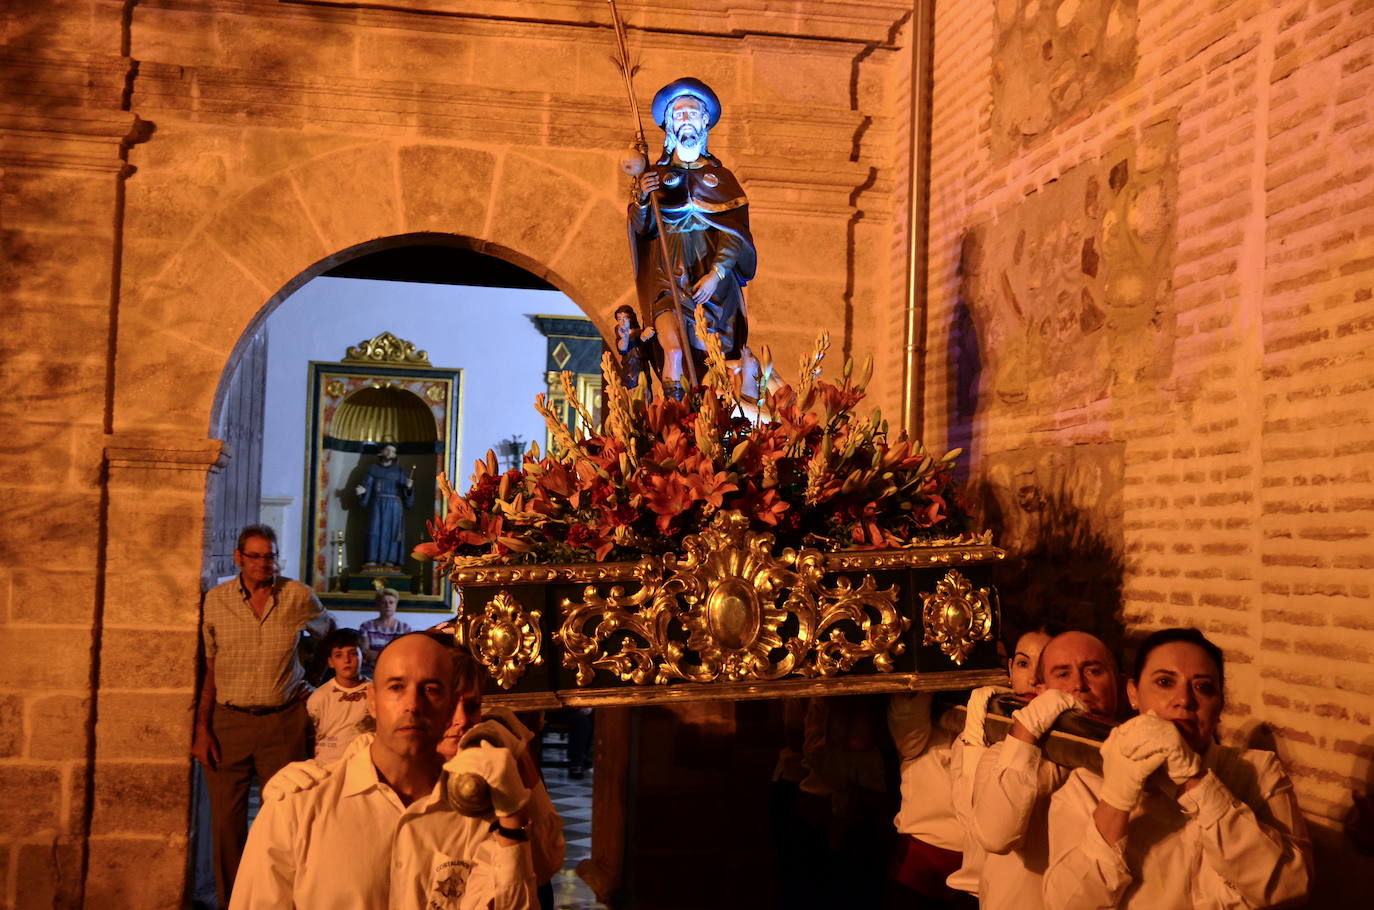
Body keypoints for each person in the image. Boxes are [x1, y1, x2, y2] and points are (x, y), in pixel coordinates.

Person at [232, 632, 538, 909]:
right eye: (396, 687)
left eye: (431, 689)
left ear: (450, 707)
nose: (412, 705)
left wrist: (512, 820)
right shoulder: (298, 805)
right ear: (373, 701)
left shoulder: (476, 815)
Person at [1044, 628, 1312, 908]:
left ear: (1220, 706)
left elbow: (1291, 890)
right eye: (1164, 682)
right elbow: (1064, 904)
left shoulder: (1257, 771)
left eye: (1203, 687)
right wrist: (1116, 799)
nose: (1184, 699)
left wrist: (1197, 782)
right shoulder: (1086, 785)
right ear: (1133, 693)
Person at [192, 524, 336, 907]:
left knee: (286, 818)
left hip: (283, 723)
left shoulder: (298, 597)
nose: (263, 563)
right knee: (226, 826)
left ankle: (279, 901)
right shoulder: (215, 602)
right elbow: (209, 669)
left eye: (269, 556)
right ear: (238, 558)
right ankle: (232, 902)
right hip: (228, 723)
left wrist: (311, 680)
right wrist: (202, 729)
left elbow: (330, 634)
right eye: (254, 556)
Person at [967, 630, 1120, 910]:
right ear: (1042, 689)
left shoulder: (1128, 755)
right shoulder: (1002, 755)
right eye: (1063, 674)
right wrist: (1028, 729)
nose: (1079, 685)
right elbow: (996, 836)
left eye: (1094, 671)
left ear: (1118, 684)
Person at [629, 76, 756, 393]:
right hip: (669, 278)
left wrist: (717, 273)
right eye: (678, 113)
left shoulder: (721, 179)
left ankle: (703, 411)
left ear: (705, 122)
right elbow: (644, 229)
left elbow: (734, 234)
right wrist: (642, 199)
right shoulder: (655, 176)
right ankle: (671, 412)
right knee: (672, 349)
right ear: (669, 125)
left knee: (711, 363)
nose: (685, 118)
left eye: (692, 112)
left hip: (712, 287)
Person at [946, 622, 1063, 903]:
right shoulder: (981, 730)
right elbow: (970, 819)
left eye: (1045, 665)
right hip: (973, 892)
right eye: (1023, 663)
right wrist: (975, 737)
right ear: (1010, 669)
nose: (1033, 677)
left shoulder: (1062, 747)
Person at [306, 628, 372, 765]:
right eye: (338, 655)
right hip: (327, 764)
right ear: (330, 662)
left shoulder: (375, 692)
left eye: (353, 654)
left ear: (364, 657)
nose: (346, 660)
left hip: (364, 762)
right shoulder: (320, 696)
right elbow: (311, 735)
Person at [354, 441, 415, 569]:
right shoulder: (373, 469)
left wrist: (409, 488)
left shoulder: (399, 471)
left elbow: (407, 492)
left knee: (392, 533)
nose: (389, 453)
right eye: (387, 450)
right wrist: (362, 492)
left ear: (395, 455)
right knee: (374, 531)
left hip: (394, 507)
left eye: (392, 452)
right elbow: (366, 486)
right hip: (377, 504)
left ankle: (390, 561)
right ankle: (372, 559)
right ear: (381, 452)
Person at [359, 586, 413, 677]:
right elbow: (365, 652)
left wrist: (377, 655)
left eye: (391, 602)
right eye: (384, 603)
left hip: (396, 671)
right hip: (370, 672)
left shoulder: (404, 628)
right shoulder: (367, 626)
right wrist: (391, 656)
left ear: (396, 605)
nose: (388, 606)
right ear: (378, 606)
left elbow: (406, 654)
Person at [613, 304, 649, 392]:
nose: (622, 322)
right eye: (619, 319)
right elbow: (622, 348)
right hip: (629, 372)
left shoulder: (639, 332)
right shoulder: (621, 336)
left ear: (631, 318)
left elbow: (643, 343)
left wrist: (644, 336)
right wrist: (625, 337)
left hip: (642, 370)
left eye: (625, 318)